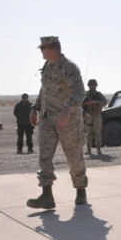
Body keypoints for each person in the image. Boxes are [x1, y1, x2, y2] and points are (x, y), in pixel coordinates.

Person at [28, 36, 89, 209]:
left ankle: (80, 191)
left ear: (52, 49)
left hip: (67, 121)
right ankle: (47, 196)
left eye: (43, 48)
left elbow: (79, 92)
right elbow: (44, 90)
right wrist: (35, 106)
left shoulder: (69, 68)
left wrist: (67, 108)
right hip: (47, 119)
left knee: (74, 156)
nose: (41, 51)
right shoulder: (48, 67)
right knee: (44, 156)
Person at [82, 79, 107, 155]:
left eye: (94, 85)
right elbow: (80, 104)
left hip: (97, 115)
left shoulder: (99, 95)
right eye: (91, 85)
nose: (93, 86)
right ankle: (88, 150)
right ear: (89, 86)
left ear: (96, 86)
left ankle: (99, 149)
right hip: (88, 115)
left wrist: (95, 102)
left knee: (97, 133)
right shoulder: (85, 95)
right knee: (88, 134)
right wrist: (85, 103)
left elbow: (104, 103)